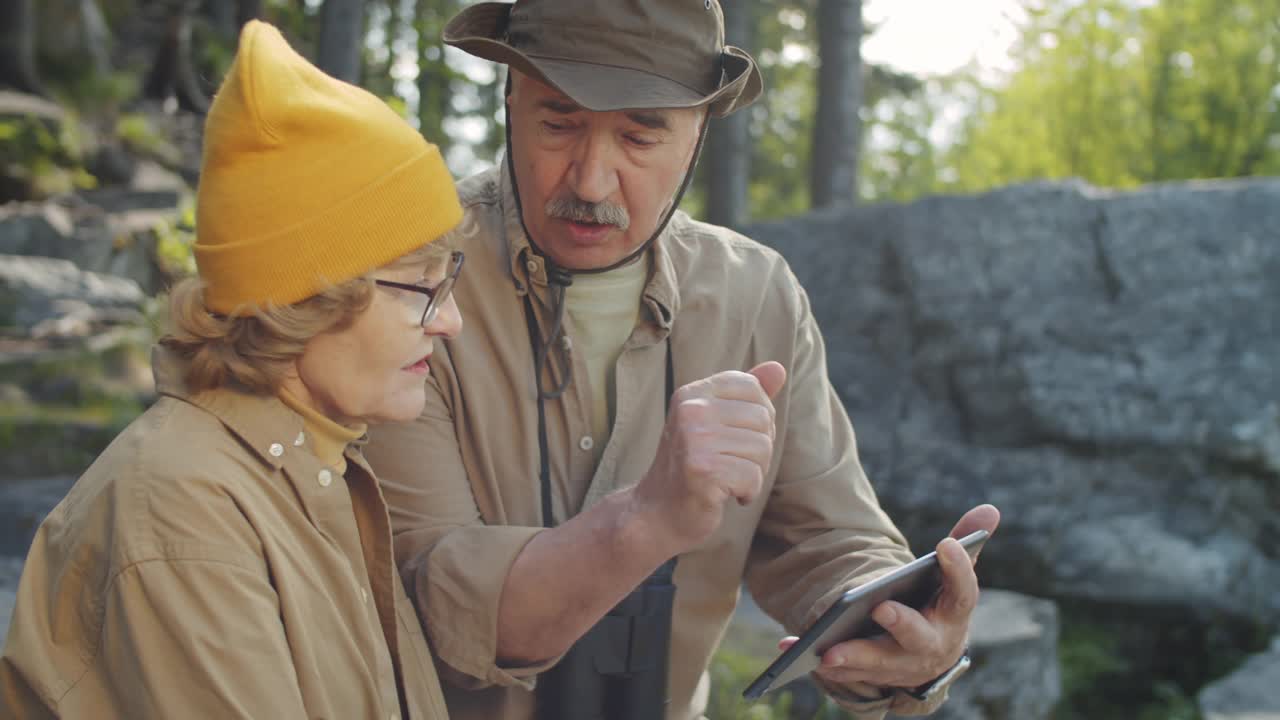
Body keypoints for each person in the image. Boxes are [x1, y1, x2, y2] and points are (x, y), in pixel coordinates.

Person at [363, 1, 1001, 718]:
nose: (591, 182)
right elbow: (432, 595)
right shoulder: (408, 275)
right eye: (558, 122)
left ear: (700, 132)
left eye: (639, 136)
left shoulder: (755, 296)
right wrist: (646, 520)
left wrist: (901, 636)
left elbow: (827, 537)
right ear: (509, 99)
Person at [0, 21, 465, 719]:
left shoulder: (313, 464)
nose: (450, 320)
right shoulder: (184, 516)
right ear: (309, 298)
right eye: (422, 287)